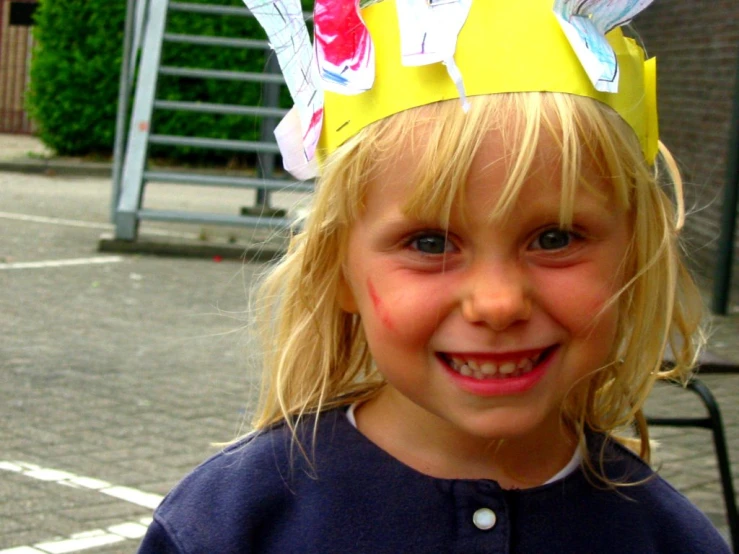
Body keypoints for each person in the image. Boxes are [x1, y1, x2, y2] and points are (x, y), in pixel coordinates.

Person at [138, 0, 731, 552]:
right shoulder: (229, 525)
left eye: (555, 239)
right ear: (337, 270)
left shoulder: (668, 538)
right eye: (429, 243)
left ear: (631, 256)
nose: (498, 304)